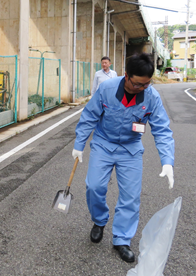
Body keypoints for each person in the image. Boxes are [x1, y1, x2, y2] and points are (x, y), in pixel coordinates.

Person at [72, 53, 174, 263]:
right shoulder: (107, 89)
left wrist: (167, 161)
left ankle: (121, 239)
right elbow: (89, 116)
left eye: (146, 84)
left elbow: (162, 129)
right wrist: (78, 145)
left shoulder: (151, 96)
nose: (142, 89)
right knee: (94, 186)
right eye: (138, 84)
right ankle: (99, 221)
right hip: (103, 143)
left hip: (131, 148)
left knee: (130, 195)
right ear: (127, 76)